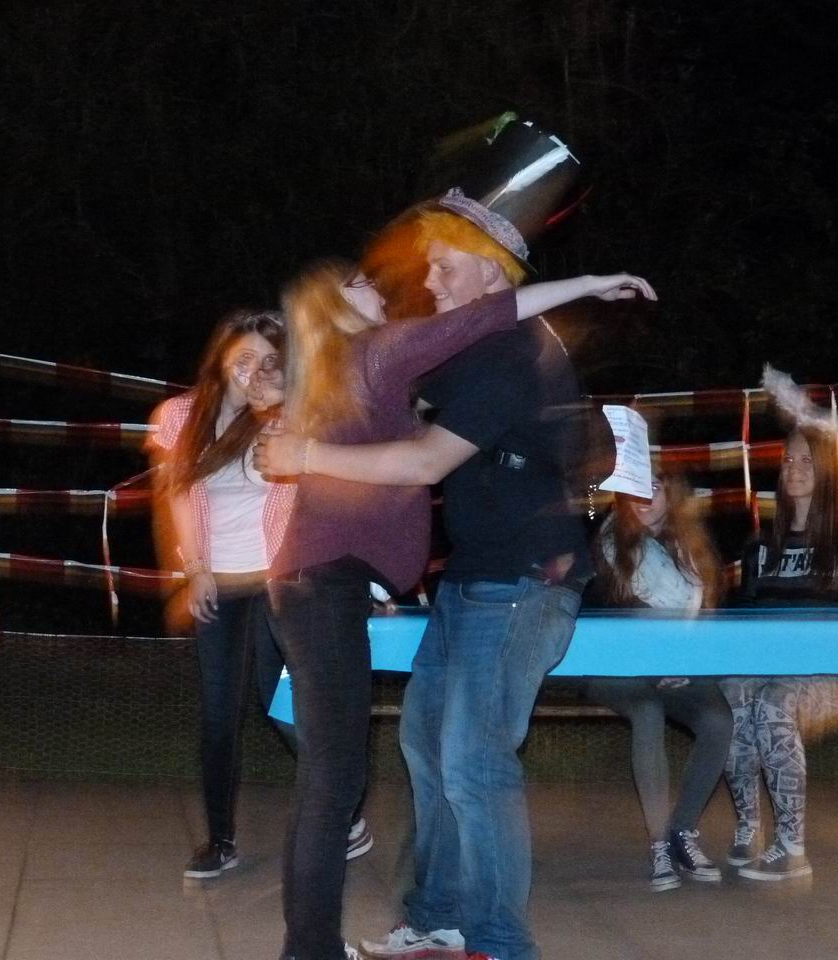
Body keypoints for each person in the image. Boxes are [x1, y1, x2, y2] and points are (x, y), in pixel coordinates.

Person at [255, 190, 656, 960]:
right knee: (424, 749)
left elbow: (425, 461)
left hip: (520, 579)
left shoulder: (510, 352)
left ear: (489, 273)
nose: (427, 282)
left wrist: (305, 453)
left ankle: (497, 942)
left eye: (444, 267)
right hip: (469, 581)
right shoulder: (455, 354)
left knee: (469, 761)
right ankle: (435, 917)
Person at [147, 309, 371, 883]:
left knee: (284, 702)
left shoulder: (291, 415)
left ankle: (345, 810)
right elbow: (175, 496)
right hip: (218, 582)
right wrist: (194, 569)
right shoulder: (179, 417)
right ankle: (220, 840)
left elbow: (326, 493)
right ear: (221, 360)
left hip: (281, 580)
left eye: (269, 361)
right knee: (218, 713)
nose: (253, 372)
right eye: (242, 359)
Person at [723, 419, 838, 882]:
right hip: (770, 670)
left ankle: (792, 848)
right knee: (732, 695)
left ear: (827, 470)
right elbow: (741, 625)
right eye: (788, 459)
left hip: (833, 677)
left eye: (807, 460)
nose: (794, 468)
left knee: (773, 702)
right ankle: (749, 824)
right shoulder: (759, 546)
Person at [587, 471, 732, 892]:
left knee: (719, 721)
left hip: (678, 667)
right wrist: (657, 659)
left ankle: (681, 831)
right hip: (618, 670)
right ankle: (658, 845)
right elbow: (603, 621)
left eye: (653, 485)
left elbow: (709, 621)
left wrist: (685, 660)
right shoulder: (608, 545)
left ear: (672, 494)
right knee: (648, 712)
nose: (643, 496)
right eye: (634, 485)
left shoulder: (693, 549)